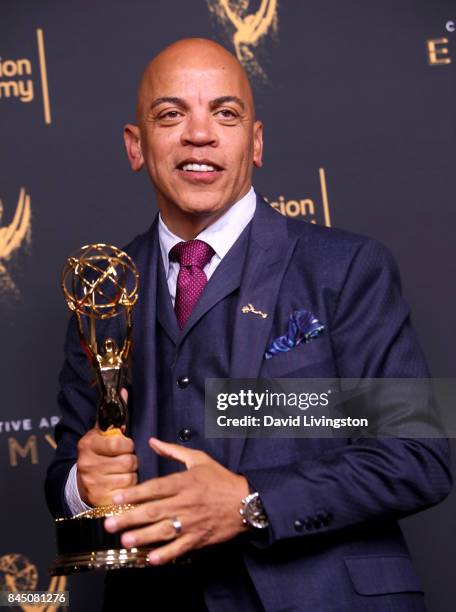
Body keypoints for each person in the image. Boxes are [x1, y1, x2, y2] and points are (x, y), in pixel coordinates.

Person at [45, 38, 451, 611]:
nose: (200, 134)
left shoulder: (348, 268)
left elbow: (419, 455)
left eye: (226, 113)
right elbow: (67, 468)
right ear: (136, 146)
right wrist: (84, 487)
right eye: (170, 115)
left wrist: (248, 500)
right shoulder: (103, 289)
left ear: (254, 143)